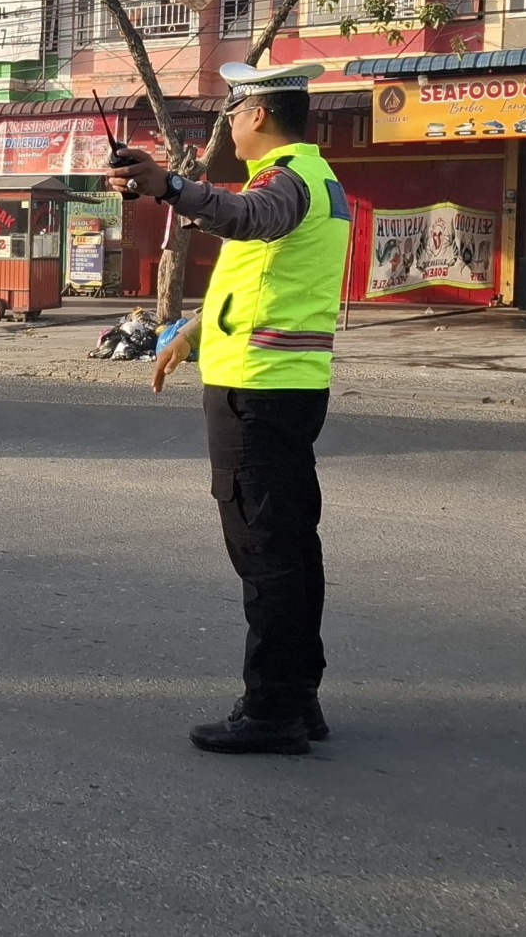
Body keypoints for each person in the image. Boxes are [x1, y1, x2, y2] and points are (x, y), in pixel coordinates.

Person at [107, 60, 351, 756]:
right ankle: (298, 696)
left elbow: (246, 218)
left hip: (257, 390)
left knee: (266, 551)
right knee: (291, 546)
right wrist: (190, 331)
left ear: (258, 115)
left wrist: (169, 186)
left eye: (234, 114)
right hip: (286, 384)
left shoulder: (285, 181)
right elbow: (261, 277)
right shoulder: (317, 179)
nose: (232, 127)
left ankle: (273, 710)